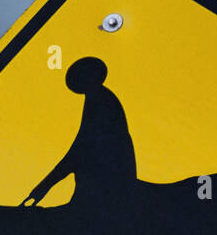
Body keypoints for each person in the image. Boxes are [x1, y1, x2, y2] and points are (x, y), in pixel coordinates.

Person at [24, 57, 137, 216]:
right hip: (103, 177)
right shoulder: (96, 100)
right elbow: (81, 148)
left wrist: (46, 184)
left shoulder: (102, 101)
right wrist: (46, 185)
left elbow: (82, 148)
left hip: (106, 183)